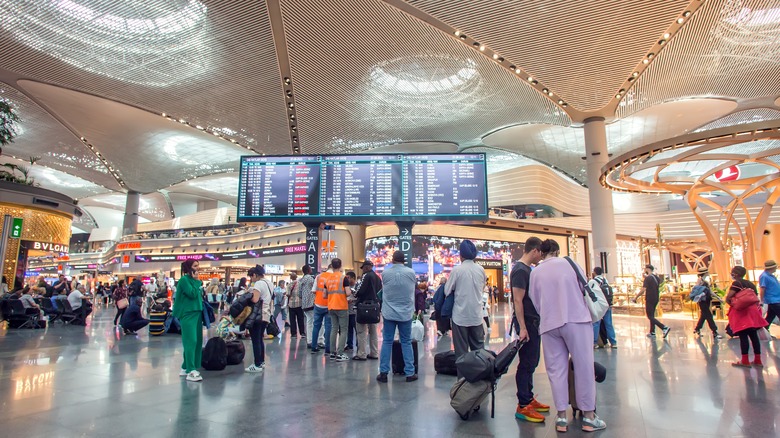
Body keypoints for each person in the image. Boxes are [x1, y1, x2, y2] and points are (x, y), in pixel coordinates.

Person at [529, 239, 606, 432]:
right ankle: (589, 416)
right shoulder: (570, 263)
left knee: (556, 371)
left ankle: (561, 417)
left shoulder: (535, 272)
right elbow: (584, 288)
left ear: (542, 252)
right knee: (583, 367)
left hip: (549, 324)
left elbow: (535, 300)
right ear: (557, 251)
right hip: (576, 319)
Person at [511, 236, 549, 423]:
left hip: (533, 322)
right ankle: (523, 404)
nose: (540, 257)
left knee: (532, 361)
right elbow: (517, 300)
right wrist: (522, 327)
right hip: (527, 324)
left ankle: (529, 397)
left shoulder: (527, 270)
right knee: (526, 362)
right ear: (534, 251)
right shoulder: (520, 270)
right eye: (540, 253)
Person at [445, 240, 486, 374]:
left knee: (461, 354)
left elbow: (447, 290)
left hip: (460, 317)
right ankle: (480, 380)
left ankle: (463, 383)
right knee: (479, 352)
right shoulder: (481, 269)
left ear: (461, 255)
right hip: (477, 316)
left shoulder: (457, 270)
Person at [377, 251, 417, 382]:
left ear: (393, 260)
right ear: (404, 260)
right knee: (406, 341)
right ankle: (410, 373)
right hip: (405, 312)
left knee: (387, 341)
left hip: (389, 312)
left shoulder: (385, 273)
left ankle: (383, 373)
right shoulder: (411, 273)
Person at [726, 265, 766, 367]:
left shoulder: (736, 283)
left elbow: (729, 297)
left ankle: (745, 360)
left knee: (743, 335)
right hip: (753, 312)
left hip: (741, 312)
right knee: (753, 336)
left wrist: (732, 303)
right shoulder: (750, 284)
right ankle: (758, 360)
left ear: (735, 274)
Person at [173, 260, 204, 382]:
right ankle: (191, 369)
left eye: (198, 265)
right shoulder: (184, 280)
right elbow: (191, 293)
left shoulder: (194, 281)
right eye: (195, 266)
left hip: (196, 312)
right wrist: (197, 282)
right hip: (187, 313)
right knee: (191, 340)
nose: (198, 268)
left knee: (196, 341)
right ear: (189, 268)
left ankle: (186, 367)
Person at [244, 265, 273, 373]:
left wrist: (248, 294)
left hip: (257, 315)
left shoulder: (259, 283)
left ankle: (257, 364)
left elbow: (255, 299)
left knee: (256, 340)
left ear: (255, 275)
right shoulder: (269, 283)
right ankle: (261, 362)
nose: (251, 279)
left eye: (251, 277)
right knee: (260, 339)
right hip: (266, 314)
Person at [324, 258, 352, 361]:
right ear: (340, 266)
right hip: (341, 306)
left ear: (331, 265)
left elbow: (324, 295)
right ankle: (340, 353)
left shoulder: (327, 279)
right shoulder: (343, 278)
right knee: (343, 330)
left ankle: (332, 353)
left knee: (334, 329)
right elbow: (348, 293)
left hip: (331, 306)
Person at [353, 260, 380, 361]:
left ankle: (362, 354)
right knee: (373, 331)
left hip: (363, 307)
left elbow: (360, 290)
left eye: (363, 267)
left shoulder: (366, 276)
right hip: (374, 307)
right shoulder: (377, 278)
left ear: (367, 267)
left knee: (361, 331)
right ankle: (374, 353)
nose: (363, 270)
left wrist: (355, 294)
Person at [635, 264, 670, 338]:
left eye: (645, 269)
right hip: (656, 298)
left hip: (649, 298)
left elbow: (643, 289)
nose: (644, 270)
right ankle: (652, 331)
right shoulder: (656, 278)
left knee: (650, 316)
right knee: (652, 315)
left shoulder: (648, 278)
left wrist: (636, 297)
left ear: (648, 269)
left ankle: (664, 327)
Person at [589, 267, 617, 348]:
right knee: (609, 324)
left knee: (596, 323)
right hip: (608, 305)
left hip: (599, 306)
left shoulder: (593, 282)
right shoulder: (605, 280)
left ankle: (594, 343)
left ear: (594, 272)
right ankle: (613, 342)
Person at [693, 267, 722, 339]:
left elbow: (710, 291)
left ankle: (697, 328)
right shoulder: (700, 280)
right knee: (709, 315)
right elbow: (696, 289)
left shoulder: (705, 281)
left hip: (706, 300)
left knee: (704, 315)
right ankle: (714, 331)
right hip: (702, 301)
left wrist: (718, 298)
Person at [310, 264, 333, 355]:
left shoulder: (318, 277)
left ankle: (313, 346)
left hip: (318, 304)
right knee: (328, 327)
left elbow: (313, 290)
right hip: (329, 305)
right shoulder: (334, 277)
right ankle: (328, 349)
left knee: (316, 326)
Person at [299, 265, 317, 347]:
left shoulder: (301, 280)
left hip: (304, 304)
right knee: (314, 322)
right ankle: (314, 341)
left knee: (309, 322)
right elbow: (316, 289)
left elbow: (299, 293)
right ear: (308, 270)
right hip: (311, 303)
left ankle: (309, 340)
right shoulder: (311, 279)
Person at [759, 260, 780, 327]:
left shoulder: (771, 276)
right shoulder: (764, 276)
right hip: (773, 300)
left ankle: (765, 329)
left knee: (770, 316)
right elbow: (762, 288)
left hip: (776, 298)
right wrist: (761, 300)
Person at [286, 273, 305, 337]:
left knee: (292, 320)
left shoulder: (289, 285)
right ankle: (302, 332)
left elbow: (288, 294)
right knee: (300, 319)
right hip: (299, 304)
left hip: (291, 305)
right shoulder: (300, 284)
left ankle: (293, 333)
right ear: (296, 277)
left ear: (291, 278)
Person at [345, 271, 358, 352]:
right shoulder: (346, 287)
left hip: (355, 311)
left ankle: (358, 344)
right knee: (348, 329)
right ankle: (349, 345)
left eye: (348, 278)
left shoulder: (358, 286)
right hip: (347, 311)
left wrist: (352, 300)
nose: (347, 279)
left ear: (353, 278)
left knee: (357, 329)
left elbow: (359, 296)